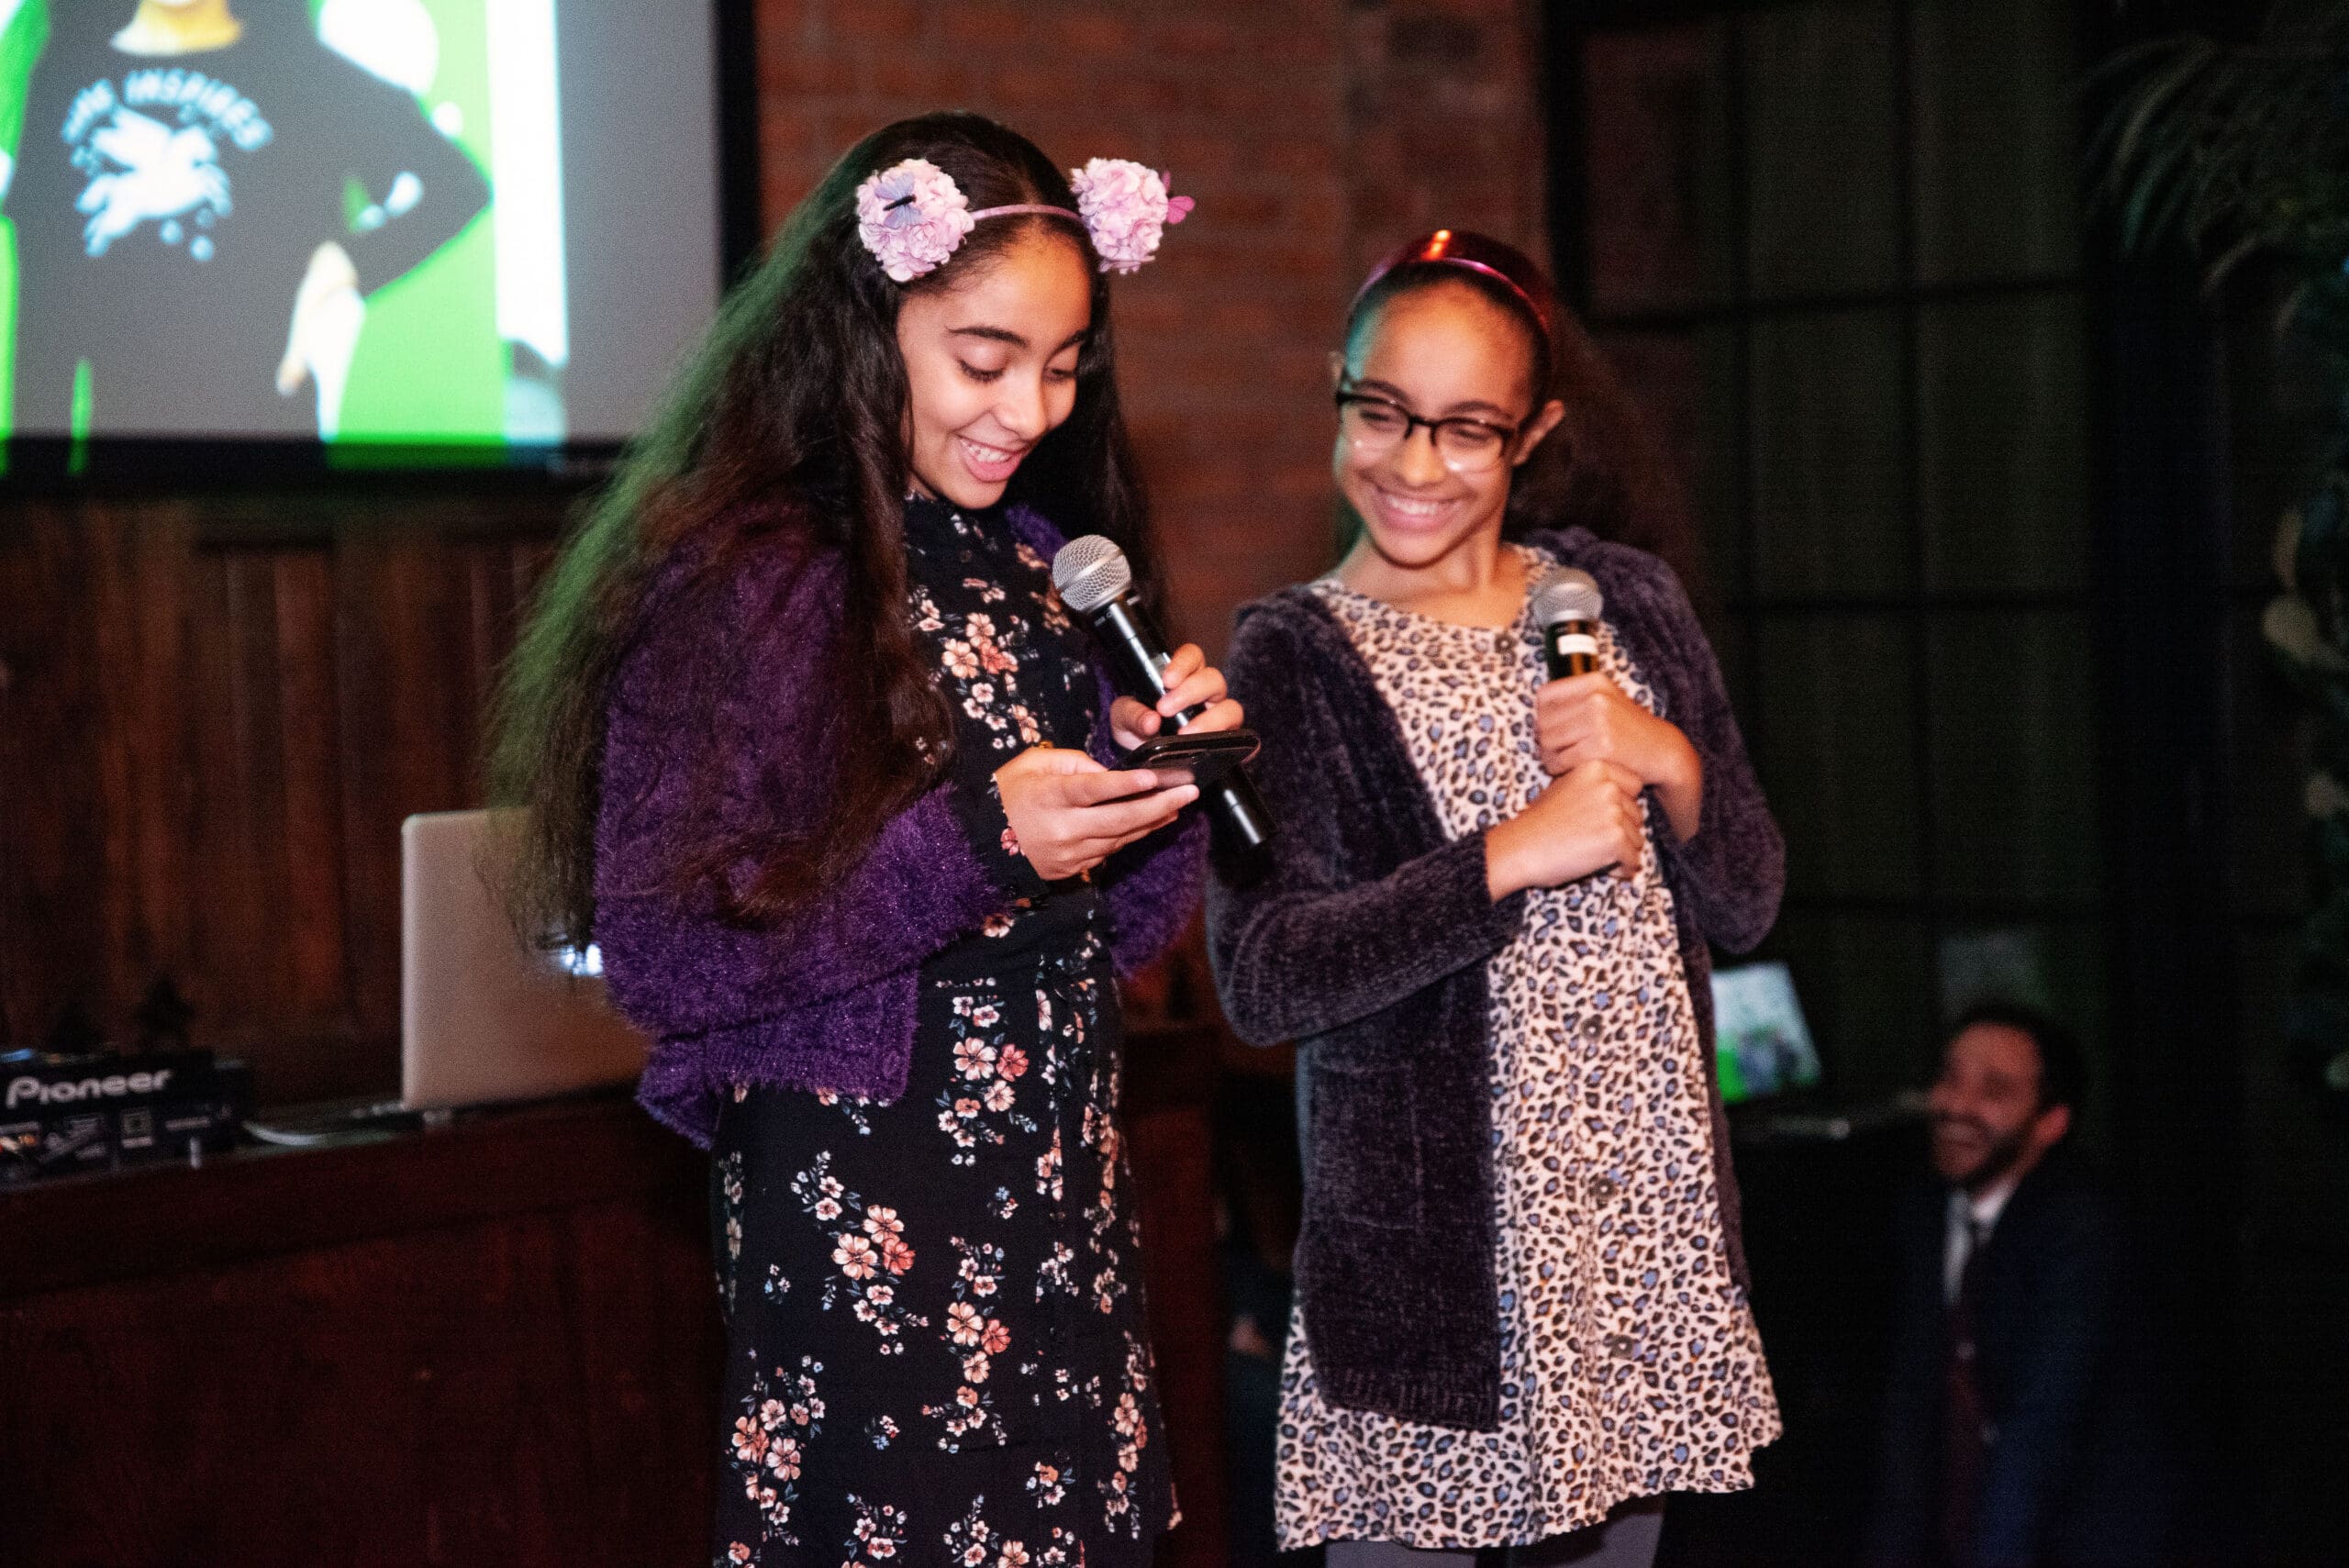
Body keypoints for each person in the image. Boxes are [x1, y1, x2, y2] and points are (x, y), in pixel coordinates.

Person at [490, 113, 1233, 1566]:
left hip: (1058, 1212)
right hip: (870, 1229)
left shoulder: (1034, 564)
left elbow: (1118, 942)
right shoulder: (750, 577)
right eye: (983, 359)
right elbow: (660, 957)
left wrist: (1152, 790)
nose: (1029, 410)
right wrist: (981, 841)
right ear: (865, 317)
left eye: (1067, 367)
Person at [1207, 230, 1785, 1565]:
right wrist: (1503, 857)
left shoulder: (1621, 596)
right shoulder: (1292, 650)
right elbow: (1265, 977)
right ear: (1338, 390)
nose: (1415, 466)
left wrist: (1674, 765)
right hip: (1439, 1280)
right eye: (1383, 414)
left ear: (1535, 433)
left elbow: (1749, 899)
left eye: (1466, 429)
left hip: (1634, 1238)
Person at [2, 0, 488, 439]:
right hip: (124, 456)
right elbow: (44, 306)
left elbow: (459, 186)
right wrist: (36, 491)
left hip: (269, 449)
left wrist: (348, 259)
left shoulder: (301, 75)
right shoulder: (62, 75)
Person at [1866, 1004, 2168, 1568]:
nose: (1956, 1106)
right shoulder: (1923, 1208)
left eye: (1994, 1091)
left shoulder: (2081, 1231)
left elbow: (2040, 1429)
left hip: (2081, 1527)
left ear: (2050, 1122)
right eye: (1949, 1078)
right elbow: (1908, 1412)